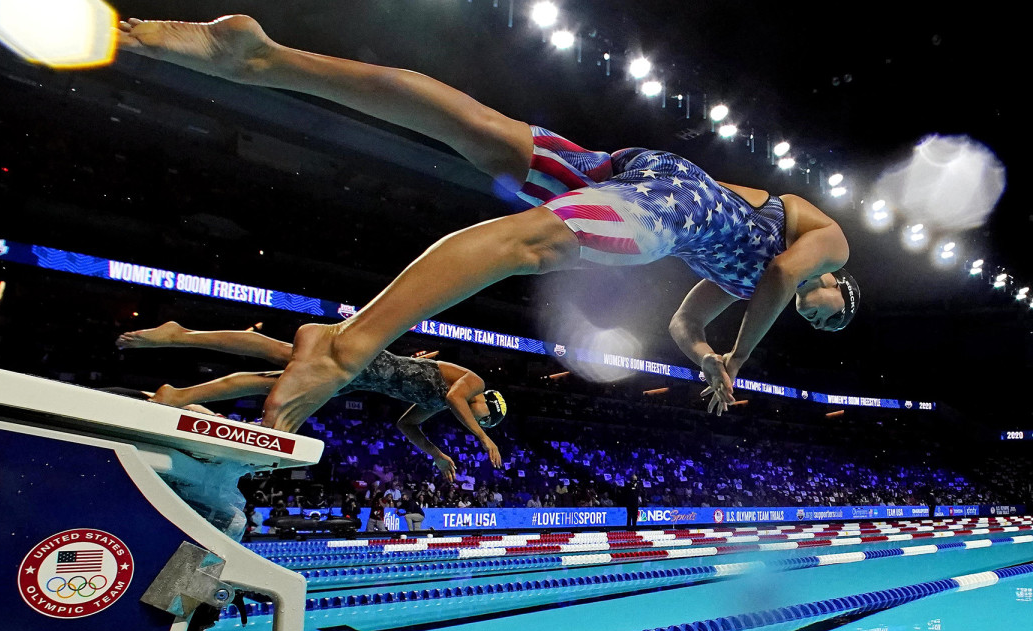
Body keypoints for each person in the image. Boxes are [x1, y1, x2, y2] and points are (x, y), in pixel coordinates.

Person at [116, 15, 860, 431]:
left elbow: (685, 326)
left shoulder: (735, 273)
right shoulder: (823, 245)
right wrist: (740, 359)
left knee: (478, 131)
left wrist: (708, 360)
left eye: (820, 330)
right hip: (683, 196)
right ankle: (345, 351)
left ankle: (260, 57)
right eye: (830, 319)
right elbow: (785, 274)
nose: (817, 320)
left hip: (646, 174)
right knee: (535, 245)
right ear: (842, 287)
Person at [117, 321, 507, 481]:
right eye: (488, 419)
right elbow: (456, 397)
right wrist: (483, 440)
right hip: (356, 359)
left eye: (488, 426)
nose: (484, 424)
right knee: (274, 363)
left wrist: (436, 454)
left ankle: (180, 390)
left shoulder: (436, 405)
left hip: (352, 378)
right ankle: (180, 340)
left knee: (271, 368)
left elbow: (407, 424)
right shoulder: (471, 383)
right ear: (486, 400)